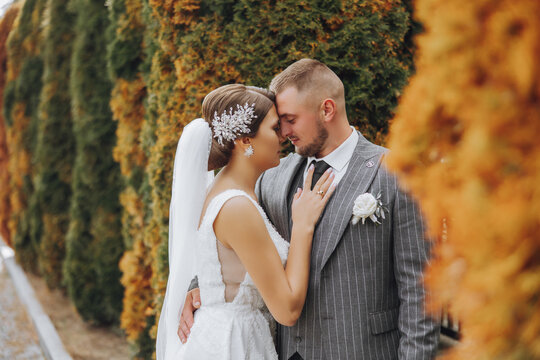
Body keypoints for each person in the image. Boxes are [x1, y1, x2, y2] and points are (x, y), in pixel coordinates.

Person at [179, 60, 440, 359]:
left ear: (326, 110)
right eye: (277, 124)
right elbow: (232, 244)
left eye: (289, 119)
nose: (283, 133)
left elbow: (422, 291)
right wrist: (202, 287)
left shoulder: (398, 174)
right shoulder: (270, 177)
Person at [156, 84, 337, 360]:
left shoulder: (226, 191)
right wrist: (303, 226)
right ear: (244, 141)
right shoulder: (236, 207)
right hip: (232, 345)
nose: (284, 137)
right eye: (275, 128)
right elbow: (287, 310)